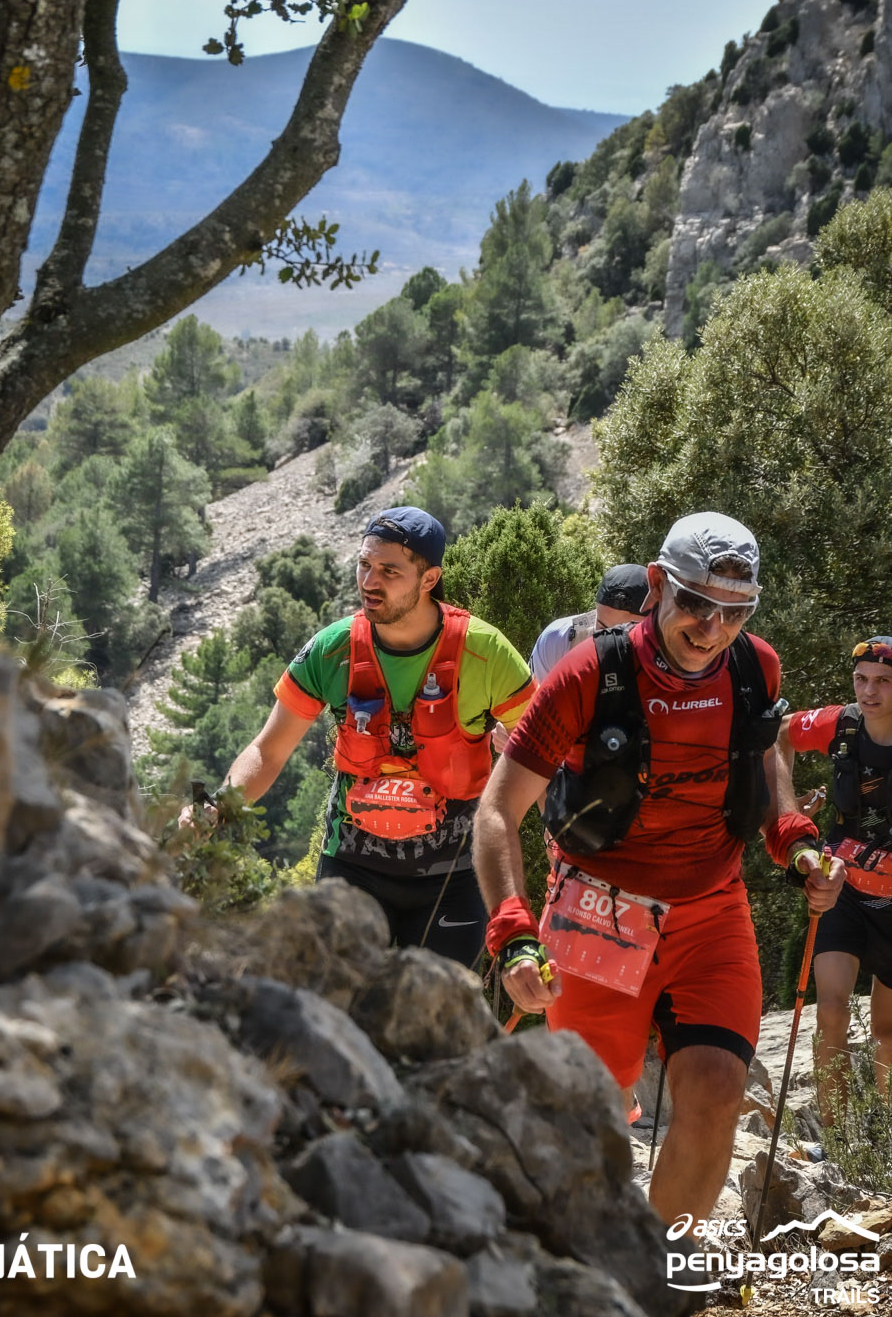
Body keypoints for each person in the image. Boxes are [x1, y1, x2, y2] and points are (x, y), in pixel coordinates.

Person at [473, 511, 844, 1224]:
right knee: (591, 1118)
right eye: (696, 603)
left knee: (717, 1089)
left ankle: (665, 1266)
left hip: (711, 913)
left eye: (735, 612)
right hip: (596, 912)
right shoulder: (588, 674)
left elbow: (763, 761)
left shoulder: (754, 667)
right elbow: (496, 812)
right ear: (655, 585)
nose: (712, 628)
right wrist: (513, 932)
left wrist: (793, 838)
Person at [216, 506, 535, 967]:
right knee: (342, 1002)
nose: (369, 581)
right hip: (353, 870)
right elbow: (268, 750)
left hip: (455, 876)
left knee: (434, 1009)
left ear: (429, 579)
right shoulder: (332, 649)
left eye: (389, 571)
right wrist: (217, 809)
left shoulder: (484, 653)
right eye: (364, 564)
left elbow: (544, 755)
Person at [778, 636, 892, 1130]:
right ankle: (837, 1139)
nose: (869, 692)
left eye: (884, 681)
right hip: (841, 890)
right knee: (830, 1010)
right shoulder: (841, 724)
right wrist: (787, 816)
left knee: (888, 1035)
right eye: (861, 679)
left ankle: (883, 1149)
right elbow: (778, 734)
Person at [528, 563, 650, 682]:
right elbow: (536, 694)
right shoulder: (558, 640)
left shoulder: (659, 656)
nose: (611, 643)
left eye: (625, 635)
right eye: (602, 629)